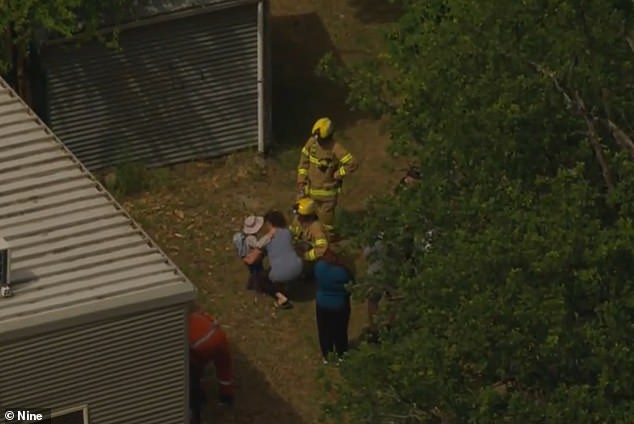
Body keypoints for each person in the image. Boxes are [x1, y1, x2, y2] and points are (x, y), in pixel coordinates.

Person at [364, 166, 423, 343]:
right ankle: (382, 329)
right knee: (390, 296)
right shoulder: (406, 217)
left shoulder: (388, 210)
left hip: (383, 259)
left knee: (382, 297)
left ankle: (379, 330)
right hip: (391, 260)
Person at [296, 117, 358, 237]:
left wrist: (338, 174)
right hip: (309, 191)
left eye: (322, 140)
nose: (319, 142)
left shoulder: (336, 148)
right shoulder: (311, 143)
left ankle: (327, 243)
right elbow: (303, 163)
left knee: (326, 224)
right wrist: (301, 181)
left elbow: (352, 163)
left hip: (327, 195)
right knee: (304, 218)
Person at [253, 210, 303, 309]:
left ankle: (281, 297)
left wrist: (269, 235)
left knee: (259, 279)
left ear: (270, 223)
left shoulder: (267, 239)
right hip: (298, 268)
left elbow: (258, 245)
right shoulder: (288, 232)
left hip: (281, 273)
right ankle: (292, 283)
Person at [188, 311, 235, 412]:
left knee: (195, 367)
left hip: (202, 345)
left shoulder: (183, 325)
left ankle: (198, 394)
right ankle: (227, 396)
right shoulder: (198, 315)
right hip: (220, 337)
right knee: (224, 365)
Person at [314, 248, 353, 364]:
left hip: (322, 304)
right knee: (340, 331)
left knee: (324, 330)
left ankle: (327, 355)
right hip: (339, 305)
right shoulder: (343, 272)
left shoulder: (319, 267)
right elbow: (351, 285)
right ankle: (341, 354)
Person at [232, 215, 268, 289]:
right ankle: (257, 284)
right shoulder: (251, 238)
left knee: (254, 271)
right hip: (252, 258)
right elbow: (258, 245)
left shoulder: (246, 237)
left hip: (247, 257)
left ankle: (255, 283)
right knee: (257, 271)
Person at [290, 197, 329, 262]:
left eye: (300, 215)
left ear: (308, 216)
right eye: (297, 214)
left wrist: (306, 256)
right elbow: (292, 232)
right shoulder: (297, 220)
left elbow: (321, 249)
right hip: (300, 248)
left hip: (312, 258)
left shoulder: (317, 229)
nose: (297, 217)